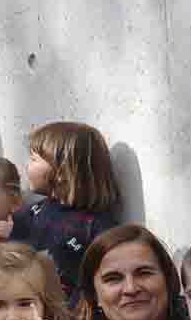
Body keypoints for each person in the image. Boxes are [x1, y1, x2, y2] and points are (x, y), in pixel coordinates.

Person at [15, 119, 124, 296]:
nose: (27, 165)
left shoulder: (97, 227)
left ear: (62, 171)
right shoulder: (32, 212)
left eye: (34, 159)